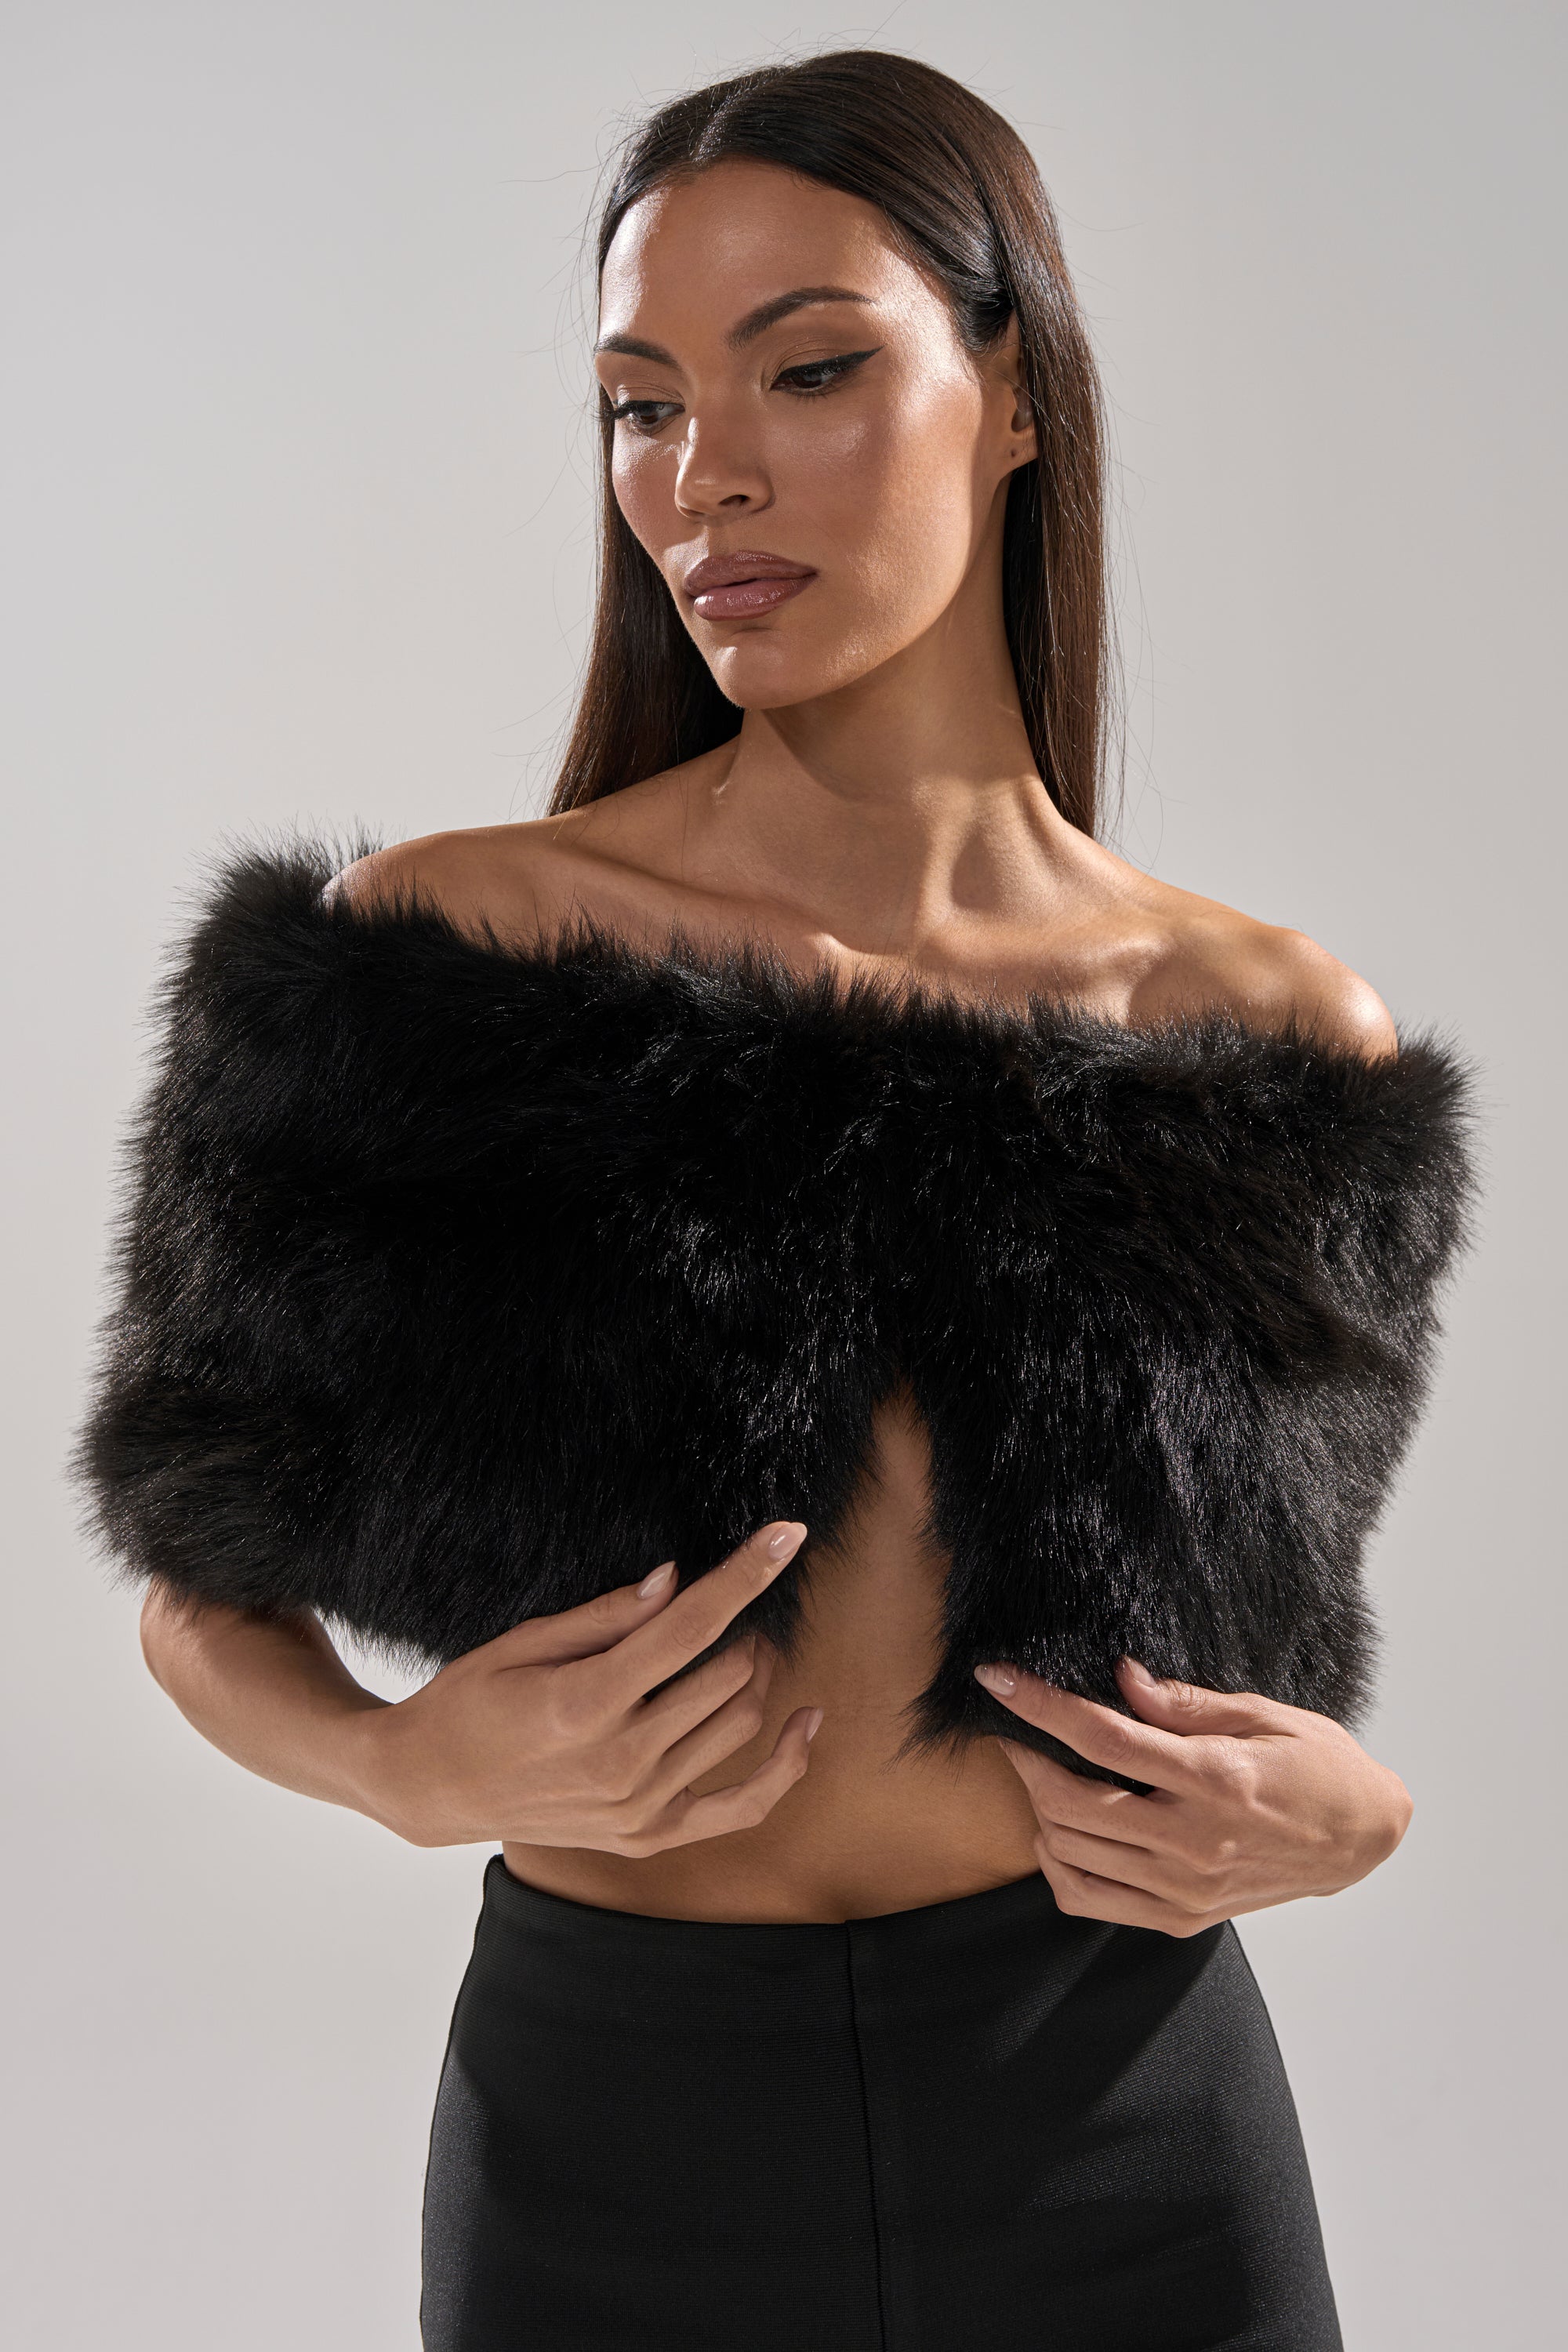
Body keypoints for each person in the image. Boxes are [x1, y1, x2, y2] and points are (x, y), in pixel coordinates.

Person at [79, 49, 1475, 2352]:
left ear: (1012, 392)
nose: (699, 475)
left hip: (1124, 2116)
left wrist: (1361, 1820)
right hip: (606, 2123)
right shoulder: (437, 960)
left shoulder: (1268, 1034)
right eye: (637, 405)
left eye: (810, 370)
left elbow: (1246, 1688)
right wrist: (398, 1767)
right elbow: (191, 1580)